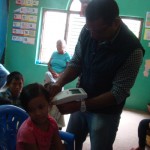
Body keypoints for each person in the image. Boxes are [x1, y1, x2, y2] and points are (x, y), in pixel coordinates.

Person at [50, 0, 145, 150]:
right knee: (71, 143)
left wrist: (79, 105)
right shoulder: (88, 30)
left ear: (115, 22)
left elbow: (117, 93)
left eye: (99, 31)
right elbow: (76, 62)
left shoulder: (133, 51)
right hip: (81, 96)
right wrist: (58, 84)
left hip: (106, 111)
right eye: (90, 29)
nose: (93, 36)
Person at [16, 83, 64, 150]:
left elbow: (59, 147)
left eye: (41, 107)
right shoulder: (27, 132)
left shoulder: (52, 123)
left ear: (49, 104)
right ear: (27, 111)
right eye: (31, 110)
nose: (38, 113)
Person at [44, 39, 71, 129]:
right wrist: (52, 72)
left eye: (59, 45)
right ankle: (52, 87)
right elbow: (49, 64)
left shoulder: (67, 55)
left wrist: (59, 74)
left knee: (58, 84)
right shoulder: (54, 53)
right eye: (57, 45)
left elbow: (68, 68)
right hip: (52, 75)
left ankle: (55, 87)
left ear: (64, 46)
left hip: (61, 76)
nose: (58, 47)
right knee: (47, 74)